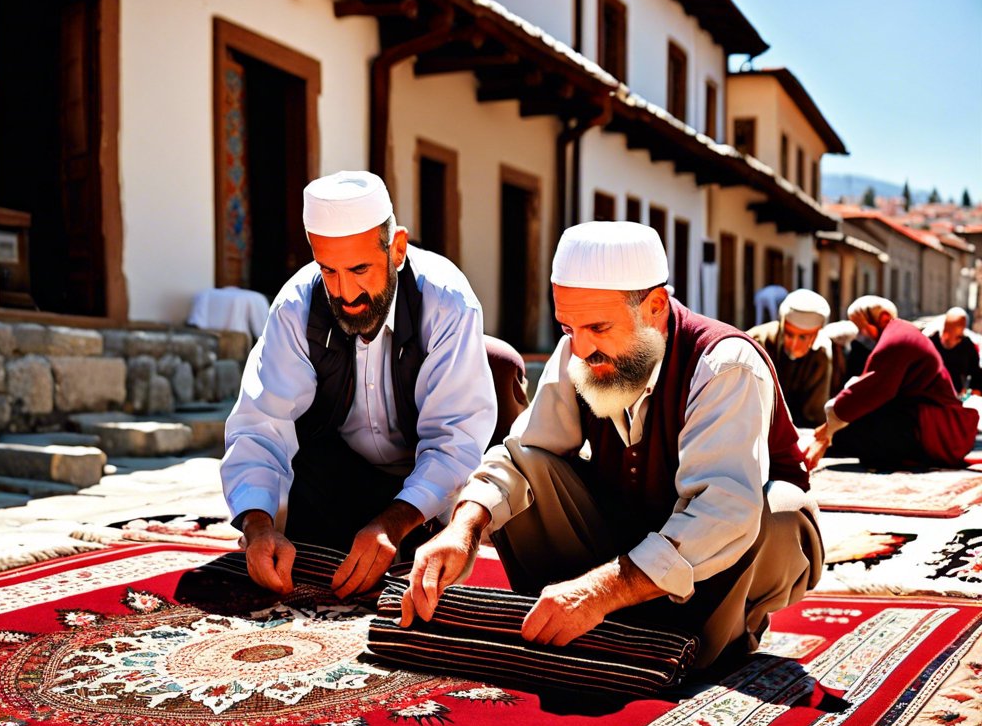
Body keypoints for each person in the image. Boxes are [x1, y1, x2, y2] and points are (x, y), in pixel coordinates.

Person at [400, 221, 823, 670]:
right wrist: (463, 528)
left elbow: (721, 511)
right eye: (567, 326)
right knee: (526, 467)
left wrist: (598, 591)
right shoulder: (579, 349)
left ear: (655, 306)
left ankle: (718, 632)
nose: (580, 347)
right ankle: (584, 614)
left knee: (777, 509)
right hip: (627, 542)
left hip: (725, 568)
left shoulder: (724, 365)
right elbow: (524, 452)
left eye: (599, 326)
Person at [221, 170, 499, 601]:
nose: (345, 292)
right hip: (338, 471)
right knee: (302, 552)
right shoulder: (297, 306)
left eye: (360, 268)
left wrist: (393, 522)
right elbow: (262, 425)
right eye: (328, 270)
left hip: (424, 479)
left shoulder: (447, 301)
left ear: (398, 249)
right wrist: (258, 526)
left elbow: (453, 440)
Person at [804, 296, 980, 470]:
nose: (863, 335)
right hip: (922, 420)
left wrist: (829, 429)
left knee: (849, 434)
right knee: (852, 428)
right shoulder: (901, 332)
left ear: (883, 318)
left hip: (935, 430)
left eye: (864, 328)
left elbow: (872, 391)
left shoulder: (897, 339)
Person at [747, 288, 832, 427]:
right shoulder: (757, 342)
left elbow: (815, 413)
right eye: (789, 334)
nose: (793, 345)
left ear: (816, 334)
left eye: (803, 337)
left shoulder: (820, 355)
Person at [929, 307, 982, 396]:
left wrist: (975, 391)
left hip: (957, 398)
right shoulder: (931, 344)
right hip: (932, 397)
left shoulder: (967, 345)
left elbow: (976, 373)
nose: (960, 338)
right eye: (958, 336)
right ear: (946, 331)